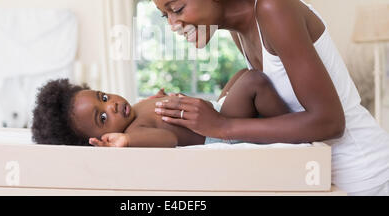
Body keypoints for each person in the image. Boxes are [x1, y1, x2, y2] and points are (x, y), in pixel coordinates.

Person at [129, 0, 389, 195]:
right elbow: (280, 112)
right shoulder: (238, 31)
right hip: (319, 175)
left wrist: (223, 125)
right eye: (165, 14)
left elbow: (329, 122)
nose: (172, 24)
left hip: (366, 175)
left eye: (177, 8)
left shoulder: (273, 8)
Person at [31, 68, 290, 147]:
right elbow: (167, 137)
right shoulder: (134, 132)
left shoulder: (134, 110)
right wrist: (126, 141)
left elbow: (153, 111)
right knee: (253, 80)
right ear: (103, 138)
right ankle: (288, 127)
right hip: (219, 128)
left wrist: (155, 100)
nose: (112, 105)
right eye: (102, 117)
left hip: (218, 109)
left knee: (241, 73)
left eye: (103, 96)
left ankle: (266, 118)